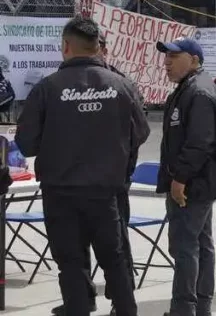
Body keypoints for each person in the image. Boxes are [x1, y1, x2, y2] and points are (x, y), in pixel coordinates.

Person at [16, 17, 149, 316]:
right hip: (106, 191)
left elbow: (26, 144)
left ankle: (78, 308)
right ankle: (126, 310)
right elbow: (140, 133)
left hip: (61, 192)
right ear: (97, 47)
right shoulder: (121, 85)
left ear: (65, 46)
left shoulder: (47, 88)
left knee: (70, 260)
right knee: (114, 257)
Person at [50, 34, 139, 316]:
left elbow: (136, 134)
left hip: (106, 184)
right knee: (86, 252)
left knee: (114, 251)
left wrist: (122, 168)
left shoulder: (118, 82)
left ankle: (119, 305)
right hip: (88, 184)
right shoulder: (58, 84)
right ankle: (84, 299)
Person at [157, 37, 216, 316]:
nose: (166, 62)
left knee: (185, 246)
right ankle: (200, 307)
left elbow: (200, 143)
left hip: (195, 183)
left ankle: (184, 309)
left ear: (194, 60)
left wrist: (179, 180)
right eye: (165, 56)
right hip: (200, 181)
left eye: (173, 56)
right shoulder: (189, 89)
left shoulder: (199, 93)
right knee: (200, 244)